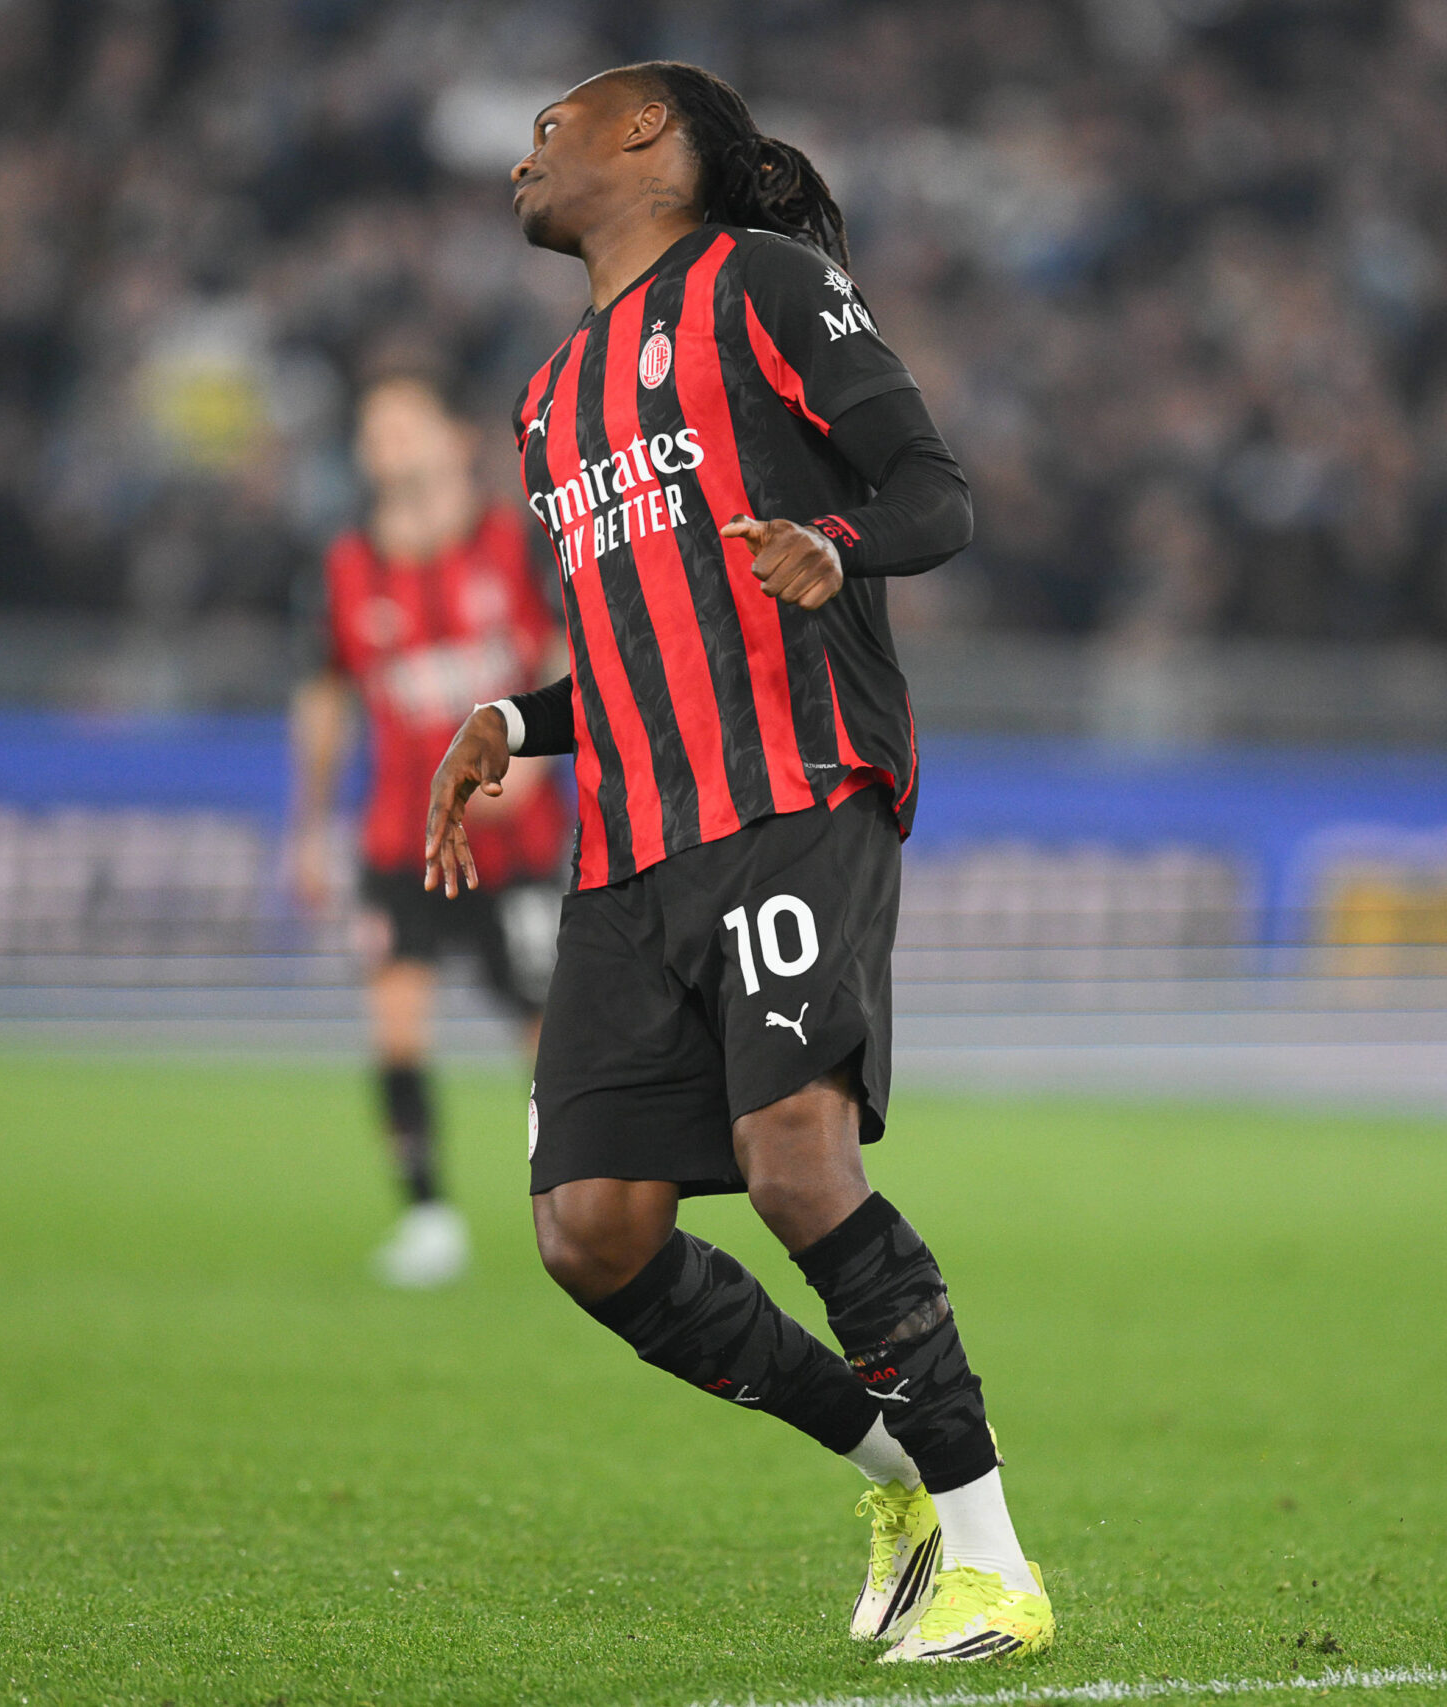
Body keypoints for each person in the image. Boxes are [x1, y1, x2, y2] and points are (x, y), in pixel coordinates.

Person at [423, 63, 1051, 1664]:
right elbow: (643, 640)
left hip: (789, 788)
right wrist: (514, 712)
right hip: (631, 840)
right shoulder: (548, 396)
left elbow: (935, 493)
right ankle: (897, 1465)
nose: (524, 152)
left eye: (550, 124)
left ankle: (995, 1560)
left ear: (649, 132)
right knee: (590, 1227)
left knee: (794, 1161)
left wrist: (837, 544)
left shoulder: (767, 284)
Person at [292, 375, 569, 1288]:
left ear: (454, 438)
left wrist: (533, 763)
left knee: (547, 1035)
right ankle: (426, 1217)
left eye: (407, 424)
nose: (390, 445)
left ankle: (571, 1202)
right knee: (396, 1025)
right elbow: (327, 693)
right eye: (375, 430)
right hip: (399, 839)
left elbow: (570, 649)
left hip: (516, 843)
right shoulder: (345, 568)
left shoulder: (515, 543)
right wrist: (309, 823)